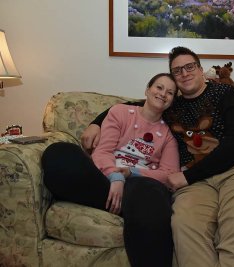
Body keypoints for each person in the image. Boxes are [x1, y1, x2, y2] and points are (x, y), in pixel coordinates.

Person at [82, 47, 234, 267]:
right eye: (177, 70)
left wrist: (188, 176)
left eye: (190, 67)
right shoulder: (172, 104)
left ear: (201, 70)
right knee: (185, 227)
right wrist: (95, 124)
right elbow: (132, 107)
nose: (184, 73)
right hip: (198, 184)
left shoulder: (227, 94)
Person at [41, 73, 180, 267]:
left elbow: (169, 173)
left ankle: (129, 205)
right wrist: (115, 177)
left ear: (172, 101)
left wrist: (131, 173)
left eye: (170, 92)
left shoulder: (168, 135)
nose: (163, 94)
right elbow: (103, 151)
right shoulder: (120, 112)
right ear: (147, 90)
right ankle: (118, 202)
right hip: (104, 180)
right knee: (59, 152)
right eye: (159, 87)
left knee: (150, 194)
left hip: (139, 187)